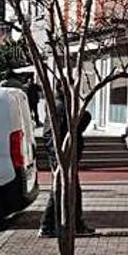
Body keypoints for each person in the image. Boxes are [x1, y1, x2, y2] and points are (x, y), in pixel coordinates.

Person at [40, 95, 94, 238]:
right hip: (64, 156)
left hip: (61, 154)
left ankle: (76, 224)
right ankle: (48, 225)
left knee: (71, 190)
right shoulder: (63, 108)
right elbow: (83, 119)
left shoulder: (56, 106)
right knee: (60, 189)